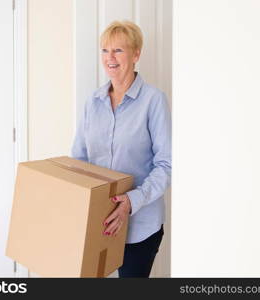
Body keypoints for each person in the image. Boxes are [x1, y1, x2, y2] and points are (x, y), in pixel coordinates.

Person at [71, 20, 171, 278]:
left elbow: (166, 164)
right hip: (99, 221)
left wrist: (131, 201)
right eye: (105, 50)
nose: (110, 58)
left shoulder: (153, 100)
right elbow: (79, 160)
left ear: (136, 54)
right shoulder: (92, 102)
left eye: (118, 50)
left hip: (140, 225)